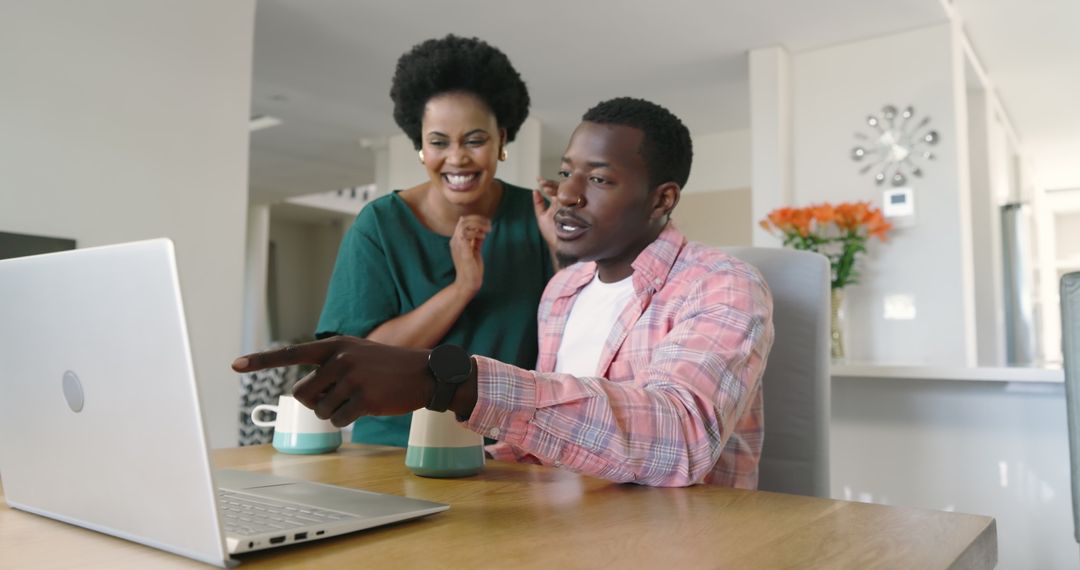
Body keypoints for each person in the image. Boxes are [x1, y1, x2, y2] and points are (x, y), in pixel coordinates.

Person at [235, 97, 774, 488]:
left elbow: (679, 438)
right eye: (566, 173)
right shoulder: (564, 290)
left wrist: (457, 384)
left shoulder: (722, 283)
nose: (566, 194)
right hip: (549, 526)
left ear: (662, 200)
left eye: (600, 179)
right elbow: (544, 446)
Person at [314, 35, 555, 447]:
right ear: (421, 148)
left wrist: (568, 252)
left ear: (501, 140)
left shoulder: (539, 217)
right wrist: (462, 288)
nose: (457, 157)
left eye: (475, 140)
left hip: (511, 451)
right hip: (393, 450)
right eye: (439, 142)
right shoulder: (380, 226)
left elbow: (582, 336)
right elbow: (355, 359)